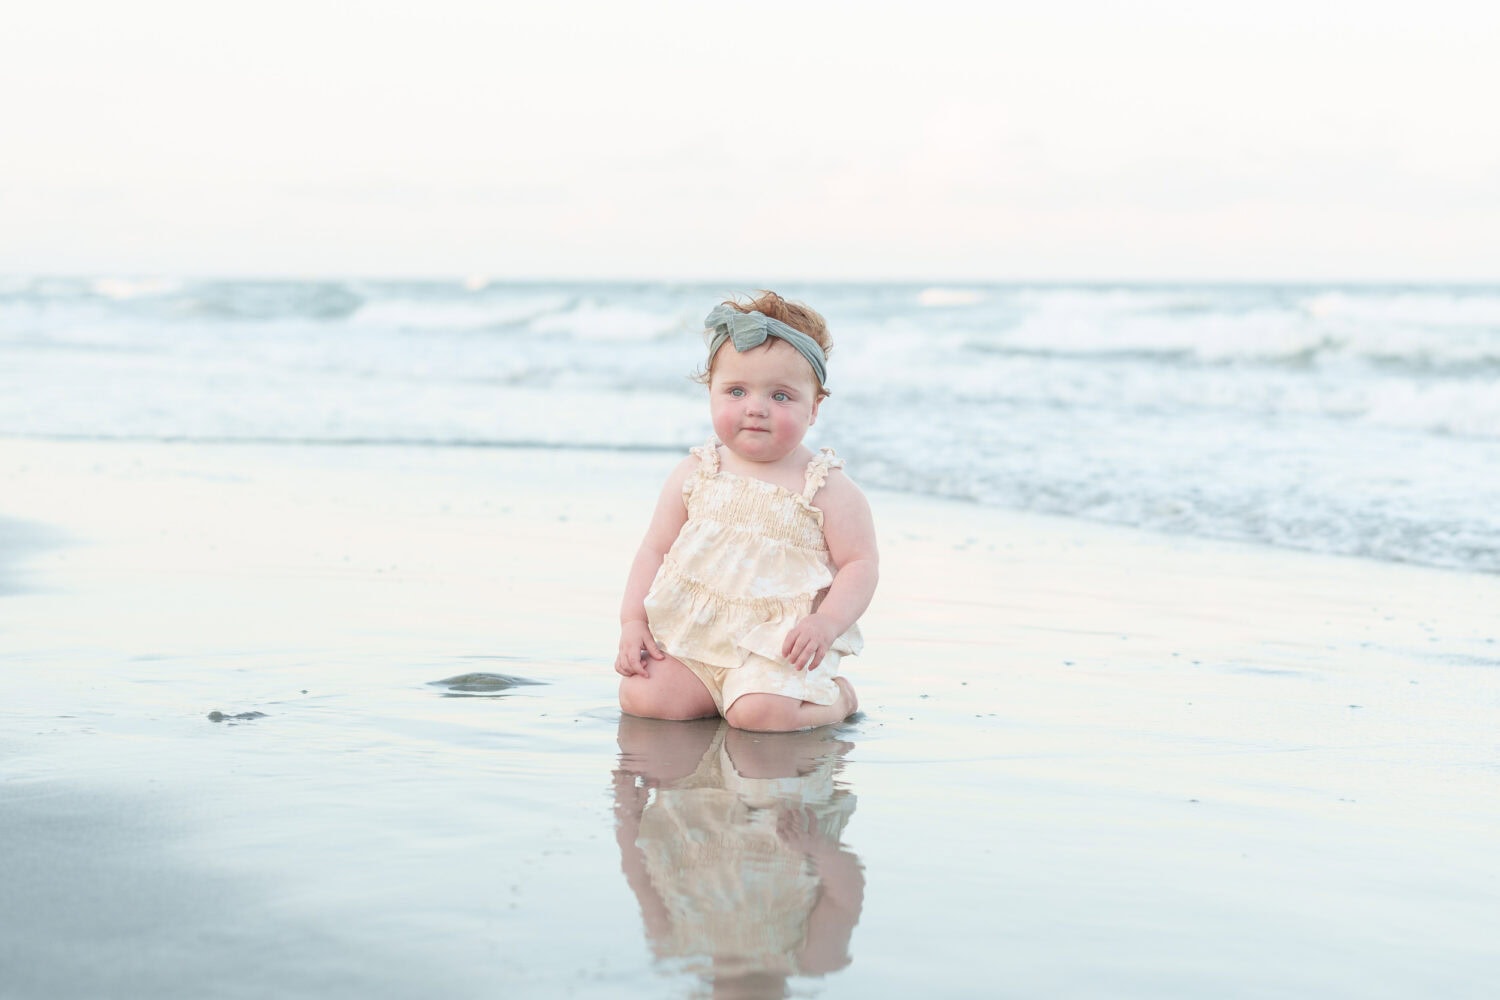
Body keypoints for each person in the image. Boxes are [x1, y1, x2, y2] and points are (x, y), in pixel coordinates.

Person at [615, 292, 877, 732]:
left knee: (759, 715)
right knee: (643, 695)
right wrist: (632, 622)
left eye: (780, 395)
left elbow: (861, 563)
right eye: (736, 391)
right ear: (711, 395)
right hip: (697, 635)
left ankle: (837, 698)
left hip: (778, 645)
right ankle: (717, 695)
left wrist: (826, 623)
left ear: (814, 408)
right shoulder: (696, 472)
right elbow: (653, 550)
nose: (756, 407)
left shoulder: (825, 486)